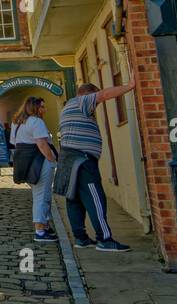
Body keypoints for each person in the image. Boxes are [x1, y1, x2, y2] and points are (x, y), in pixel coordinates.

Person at [56, 81, 135, 252]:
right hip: (82, 160)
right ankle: (104, 239)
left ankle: (81, 238)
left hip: (68, 159)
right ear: (88, 95)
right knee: (96, 198)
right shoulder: (81, 101)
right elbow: (104, 95)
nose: (96, 106)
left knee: (74, 199)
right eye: (96, 103)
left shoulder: (68, 107)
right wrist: (129, 86)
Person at [10, 97, 57, 242]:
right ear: (34, 108)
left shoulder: (17, 123)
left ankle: (45, 225)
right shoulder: (36, 121)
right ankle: (40, 230)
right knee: (42, 195)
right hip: (39, 161)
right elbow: (42, 144)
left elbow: (14, 142)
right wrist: (52, 160)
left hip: (25, 162)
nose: (45, 109)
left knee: (41, 193)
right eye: (42, 107)